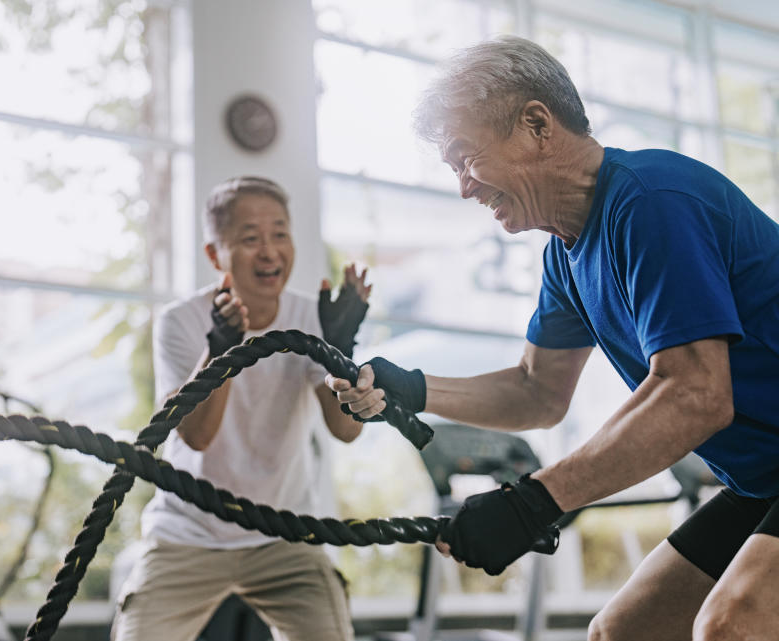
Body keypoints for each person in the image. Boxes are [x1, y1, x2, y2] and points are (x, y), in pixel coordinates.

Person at [327, 35, 779, 641]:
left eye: (466, 158)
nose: (464, 186)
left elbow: (696, 392)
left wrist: (534, 502)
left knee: (735, 624)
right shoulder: (567, 258)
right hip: (764, 479)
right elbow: (536, 392)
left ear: (536, 124)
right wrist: (413, 388)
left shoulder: (651, 200)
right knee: (621, 632)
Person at [112, 176, 370, 641]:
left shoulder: (311, 317)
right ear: (216, 255)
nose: (269, 251)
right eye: (250, 239)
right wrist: (220, 351)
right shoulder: (182, 321)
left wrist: (341, 350)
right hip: (188, 533)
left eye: (280, 234)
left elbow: (346, 432)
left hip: (284, 534)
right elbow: (197, 436)